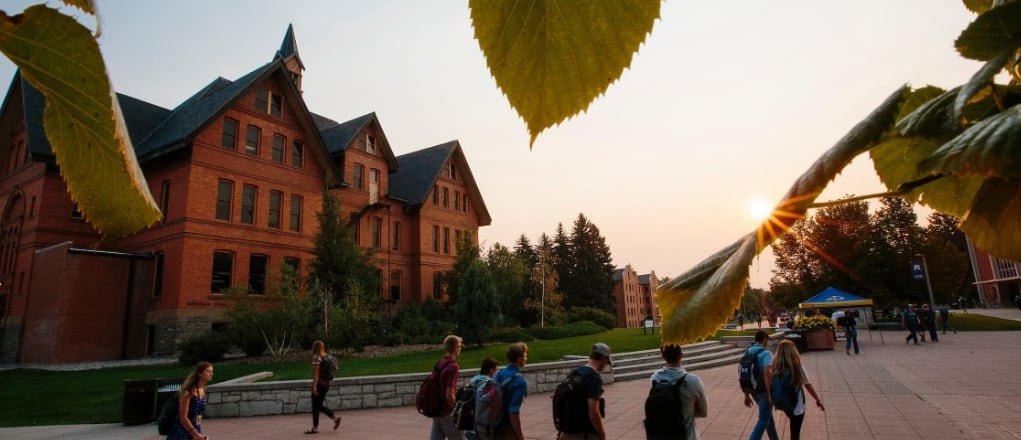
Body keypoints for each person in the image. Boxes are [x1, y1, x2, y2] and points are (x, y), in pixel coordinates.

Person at [648, 343, 708, 440]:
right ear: (681, 355)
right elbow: (703, 412)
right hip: (688, 436)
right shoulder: (693, 381)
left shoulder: (654, 379)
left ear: (662, 356)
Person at [557, 342, 612, 440]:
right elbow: (593, 412)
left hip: (566, 431)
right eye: (607, 361)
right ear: (604, 358)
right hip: (584, 433)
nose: (605, 365)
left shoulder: (575, 372)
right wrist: (602, 434)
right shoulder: (594, 378)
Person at [771, 340, 824, 440]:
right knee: (795, 432)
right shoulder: (797, 367)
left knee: (793, 427)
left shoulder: (776, 366)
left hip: (783, 403)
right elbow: (808, 385)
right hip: (797, 404)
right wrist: (818, 400)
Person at [483, 342, 529, 440]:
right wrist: (520, 436)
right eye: (525, 356)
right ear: (519, 358)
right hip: (507, 428)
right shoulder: (519, 382)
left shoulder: (498, 373)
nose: (526, 359)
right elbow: (513, 412)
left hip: (491, 425)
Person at [743, 330, 778, 440]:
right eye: (767, 340)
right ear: (765, 339)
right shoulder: (766, 353)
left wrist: (746, 395)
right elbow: (767, 375)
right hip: (763, 391)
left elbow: (744, 374)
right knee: (763, 419)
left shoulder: (747, 352)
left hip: (753, 390)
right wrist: (770, 394)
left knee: (768, 418)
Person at [166, 361, 213, 440]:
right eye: (208, 371)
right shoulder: (188, 392)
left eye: (212, 372)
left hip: (194, 428)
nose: (211, 374)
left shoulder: (202, 390)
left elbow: (198, 414)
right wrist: (195, 434)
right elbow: (183, 417)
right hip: (181, 432)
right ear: (199, 373)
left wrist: (198, 431)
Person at [431, 335, 465, 440]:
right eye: (460, 346)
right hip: (446, 411)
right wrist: (458, 411)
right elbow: (449, 395)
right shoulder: (453, 366)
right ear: (455, 348)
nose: (460, 348)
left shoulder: (440, 363)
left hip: (436, 408)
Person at [306, 340, 342, 434]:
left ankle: (315, 428)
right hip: (326, 384)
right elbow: (336, 367)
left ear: (314, 347)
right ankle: (335, 418)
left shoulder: (316, 358)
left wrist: (314, 387)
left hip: (320, 384)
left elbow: (316, 375)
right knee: (319, 405)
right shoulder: (328, 356)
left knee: (315, 406)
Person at [464, 357, 500, 440]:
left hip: (469, 425)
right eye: (497, 370)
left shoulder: (473, 380)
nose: (497, 372)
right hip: (479, 428)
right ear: (491, 370)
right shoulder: (486, 383)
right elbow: (482, 400)